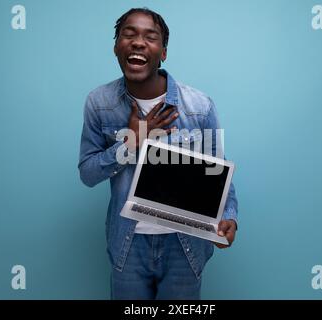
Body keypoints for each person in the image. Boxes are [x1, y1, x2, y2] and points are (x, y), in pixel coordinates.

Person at [78, 7, 238, 300]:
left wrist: (229, 218)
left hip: (184, 246)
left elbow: (218, 173)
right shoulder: (99, 103)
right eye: (129, 34)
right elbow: (87, 173)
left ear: (163, 52)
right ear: (116, 46)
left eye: (150, 37)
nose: (138, 42)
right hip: (128, 245)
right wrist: (130, 145)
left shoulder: (199, 106)